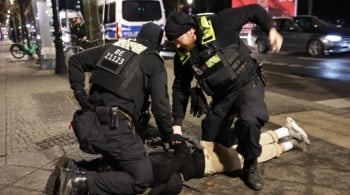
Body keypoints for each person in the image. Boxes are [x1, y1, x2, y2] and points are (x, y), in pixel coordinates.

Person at [164, 4, 283, 191]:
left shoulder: (219, 23)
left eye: (178, 40)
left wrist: (271, 29)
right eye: (173, 43)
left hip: (247, 82)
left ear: (191, 31)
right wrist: (177, 124)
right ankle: (240, 135)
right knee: (211, 141)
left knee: (249, 119)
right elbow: (180, 88)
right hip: (223, 96)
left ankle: (251, 164)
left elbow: (253, 10)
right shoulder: (183, 55)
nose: (177, 46)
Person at [54, 116, 310, 194]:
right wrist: (176, 142)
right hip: (204, 158)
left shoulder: (147, 170)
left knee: (249, 155)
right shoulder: (147, 169)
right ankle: (288, 132)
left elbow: (177, 161)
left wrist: (175, 142)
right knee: (249, 154)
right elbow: (177, 162)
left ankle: (287, 134)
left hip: (206, 158)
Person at [62, 22, 174, 194]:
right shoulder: (153, 60)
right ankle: (78, 182)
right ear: (158, 43)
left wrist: (80, 95)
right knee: (141, 178)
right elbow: (161, 107)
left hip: (92, 122)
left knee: (117, 163)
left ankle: (76, 168)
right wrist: (168, 136)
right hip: (116, 126)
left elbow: (75, 60)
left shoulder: (114, 48)